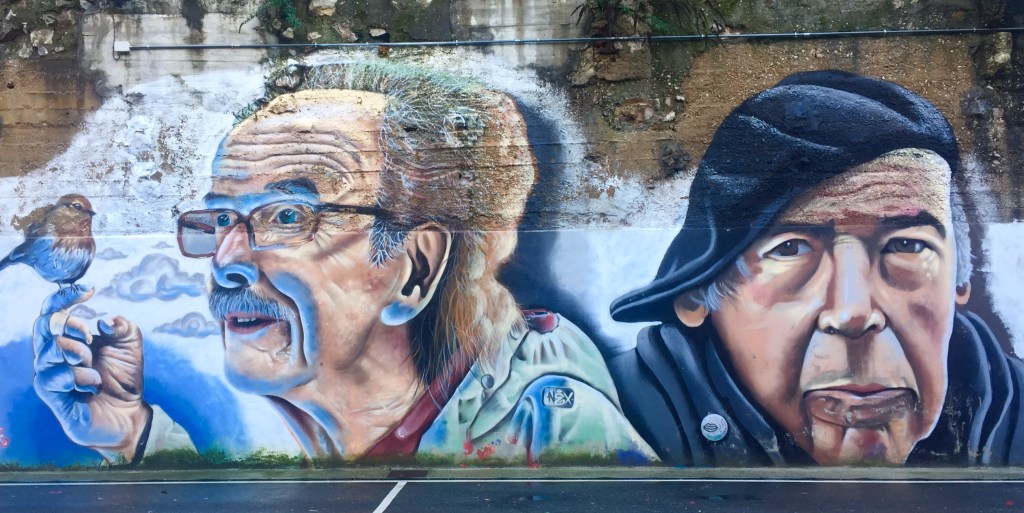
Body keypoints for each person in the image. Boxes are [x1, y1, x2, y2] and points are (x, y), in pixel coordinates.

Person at [32, 61, 654, 464]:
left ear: (415, 269)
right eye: (220, 220)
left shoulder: (551, 431)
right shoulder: (318, 433)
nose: (226, 262)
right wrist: (133, 435)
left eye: (286, 216)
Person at [608, 70, 1024, 466]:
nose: (852, 313)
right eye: (789, 248)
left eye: (907, 245)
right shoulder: (611, 419)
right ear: (697, 297)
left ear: (959, 280)